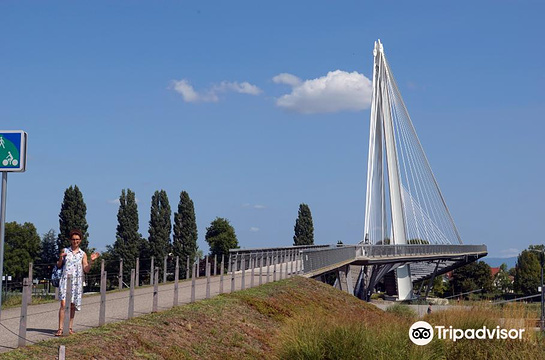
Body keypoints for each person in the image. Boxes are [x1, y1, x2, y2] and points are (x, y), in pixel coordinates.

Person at [55, 229, 100, 336]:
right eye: (74, 239)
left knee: (72, 305)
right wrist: (61, 258)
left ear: (80, 240)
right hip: (65, 280)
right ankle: (60, 328)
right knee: (63, 304)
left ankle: (70, 327)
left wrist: (91, 261)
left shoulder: (82, 254)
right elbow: (59, 265)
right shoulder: (65, 251)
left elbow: (86, 269)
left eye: (77, 239)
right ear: (70, 240)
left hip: (77, 282)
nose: (75, 241)